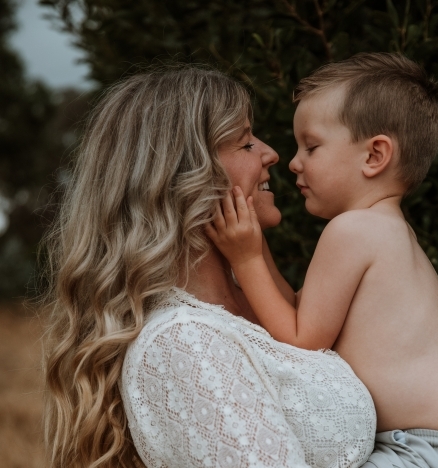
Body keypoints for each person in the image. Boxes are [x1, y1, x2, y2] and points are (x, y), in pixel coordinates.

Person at [42, 66, 377, 468]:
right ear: (184, 177)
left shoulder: (265, 304)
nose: (273, 153)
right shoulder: (185, 342)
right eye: (246, 143)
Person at [207, 53, 438, 468]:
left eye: (312, 146)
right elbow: (296, 312)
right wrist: (255, 249)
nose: (294, 162)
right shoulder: (384, 231)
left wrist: (247, 258)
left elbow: (300, 340)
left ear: (374, 155)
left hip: (425, 451)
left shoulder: (353, 231)